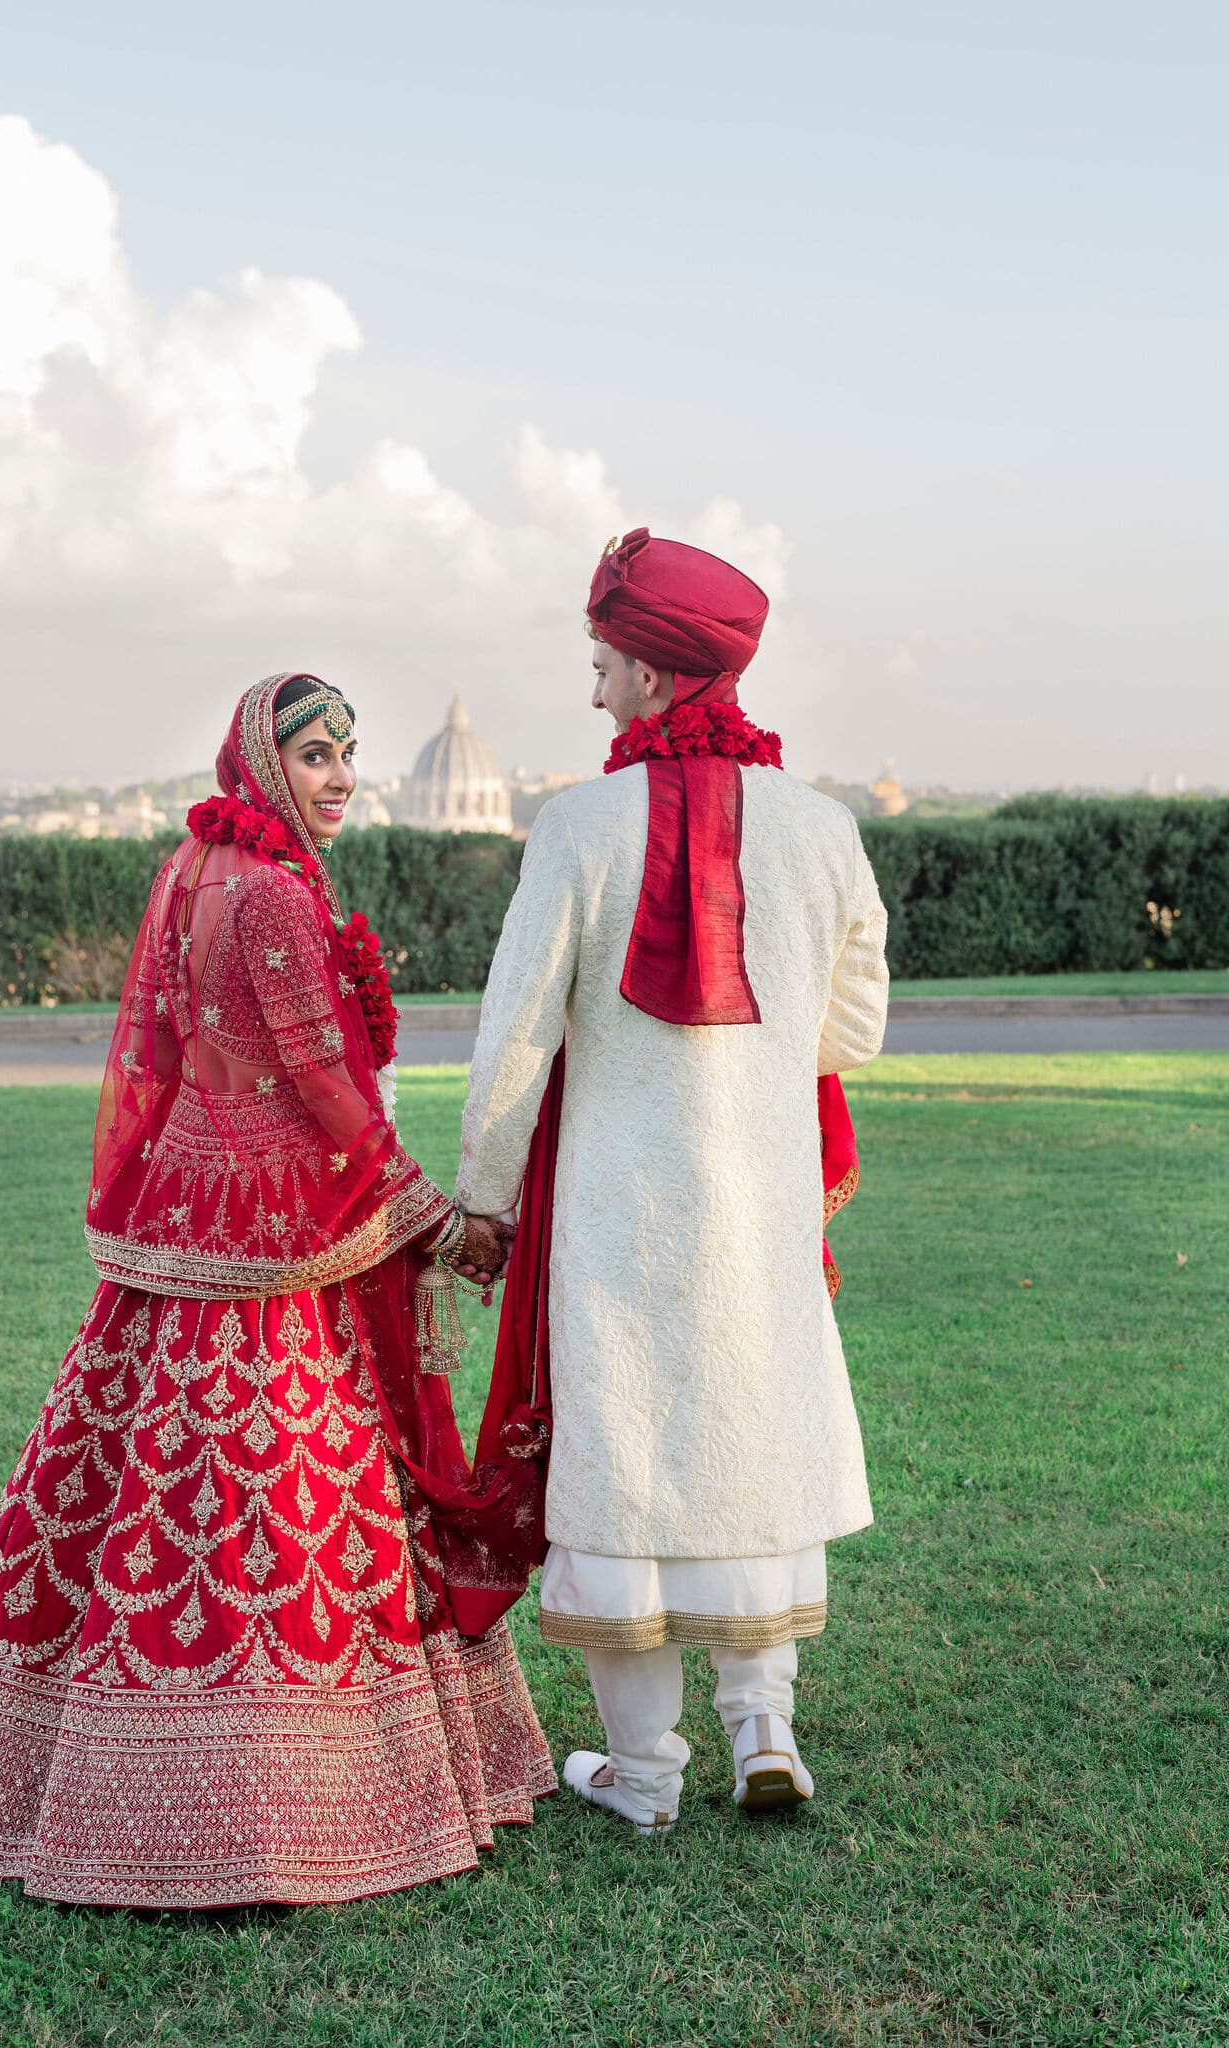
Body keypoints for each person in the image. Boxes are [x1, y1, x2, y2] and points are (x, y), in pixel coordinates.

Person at [0, 672, 554, 1908]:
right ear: (262, 762)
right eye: (315, 756)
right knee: (284, 1495)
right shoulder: (279, 896)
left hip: (183, 1222)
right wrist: (441, 1223)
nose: (340, 775)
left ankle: (54, 1775)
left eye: (350, 753)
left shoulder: (195, 865)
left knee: (128, 1484)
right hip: (284, 1235)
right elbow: (327, 1093)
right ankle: (283, 1806)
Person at [454, 531, 888, 1832]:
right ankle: (767, 1731)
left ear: (651, 670)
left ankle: (643, 1775)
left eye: (602, 665)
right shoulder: (820, 830)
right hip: (759, 1199)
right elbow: (854, 1030)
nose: (593, 693)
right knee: (751, 1442)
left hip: (617, 1214)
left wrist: (485, 1193)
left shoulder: (580, 826)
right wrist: (750, 1059)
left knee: (627, 1461)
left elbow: (517, 1032)